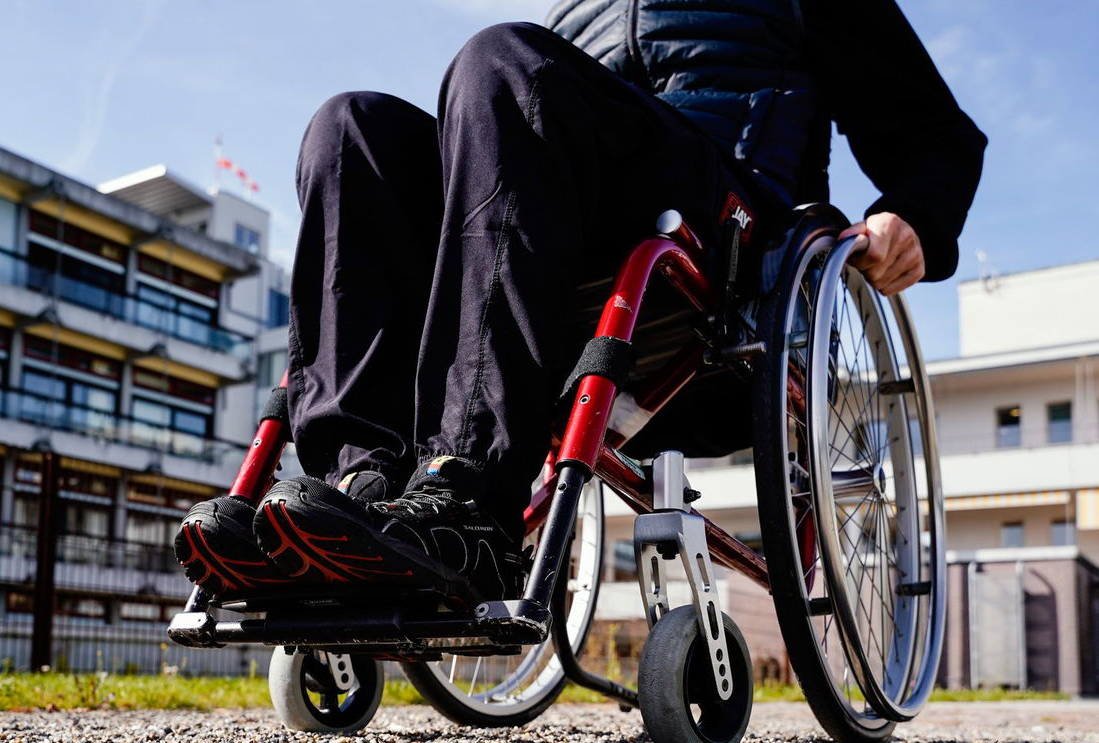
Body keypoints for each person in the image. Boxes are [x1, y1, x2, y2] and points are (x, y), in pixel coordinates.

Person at [174, 0, 986, 604]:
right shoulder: (582, 12)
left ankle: (466, 496)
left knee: (502, 60)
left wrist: (909, 216)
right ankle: (358, 493)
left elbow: (937, 135)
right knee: (352, 128)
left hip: (728, 241)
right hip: (555, 264)